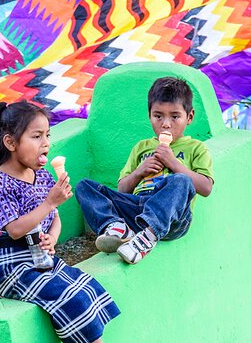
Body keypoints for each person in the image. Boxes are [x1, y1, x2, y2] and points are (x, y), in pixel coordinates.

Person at [0, 101, 159, 343]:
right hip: (10, 267)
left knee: (89, 287)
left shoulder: (42, 177)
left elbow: (56, 220)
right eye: (36, 136)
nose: (46, 143)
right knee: (69, 298)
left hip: (40, 259)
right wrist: (49, 201)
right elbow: (14, 229)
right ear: (10, 142)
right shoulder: (1, 183)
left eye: (47, 135)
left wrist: (52, 234)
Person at [76, 77, 214, 264]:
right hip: (136, 209)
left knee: (181, 181)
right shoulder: (142, 147)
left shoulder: (196, 148)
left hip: (171, 219)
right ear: (150, 115)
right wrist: (139, 172)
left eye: (175, 116)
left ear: (189, 117)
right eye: (158, 116)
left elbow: (205, 187)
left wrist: (174, 163)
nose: (166, 124)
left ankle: (148, 237)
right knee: (85, 187)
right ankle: (117, 227)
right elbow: (122, 189)